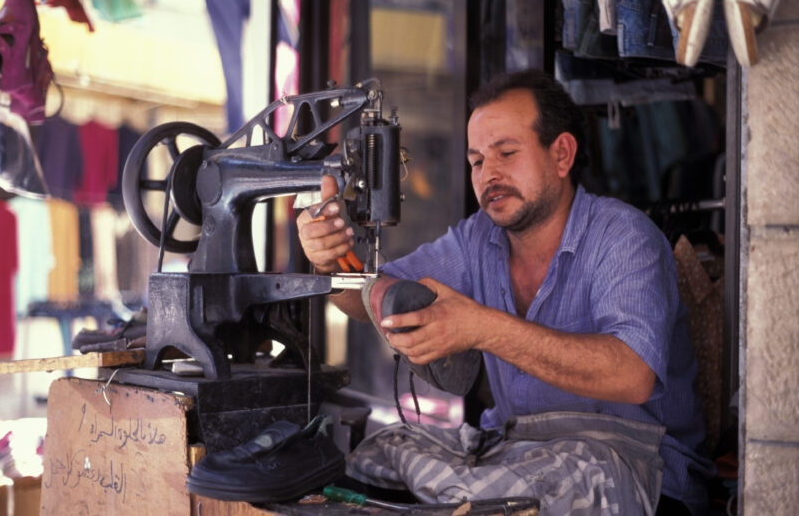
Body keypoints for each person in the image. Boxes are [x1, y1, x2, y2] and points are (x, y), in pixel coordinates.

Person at [297, 70, 713, 515]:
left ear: (562, 155)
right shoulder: (479, 238)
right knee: (369, 459)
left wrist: (482, 328)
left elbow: (632, 376)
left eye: (507, 153)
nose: (488, 174)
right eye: (477, 161)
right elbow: (363, 296)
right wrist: (331, 261)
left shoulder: (624, 236)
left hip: (632, 466)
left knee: (484, 499)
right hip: (516, 451)